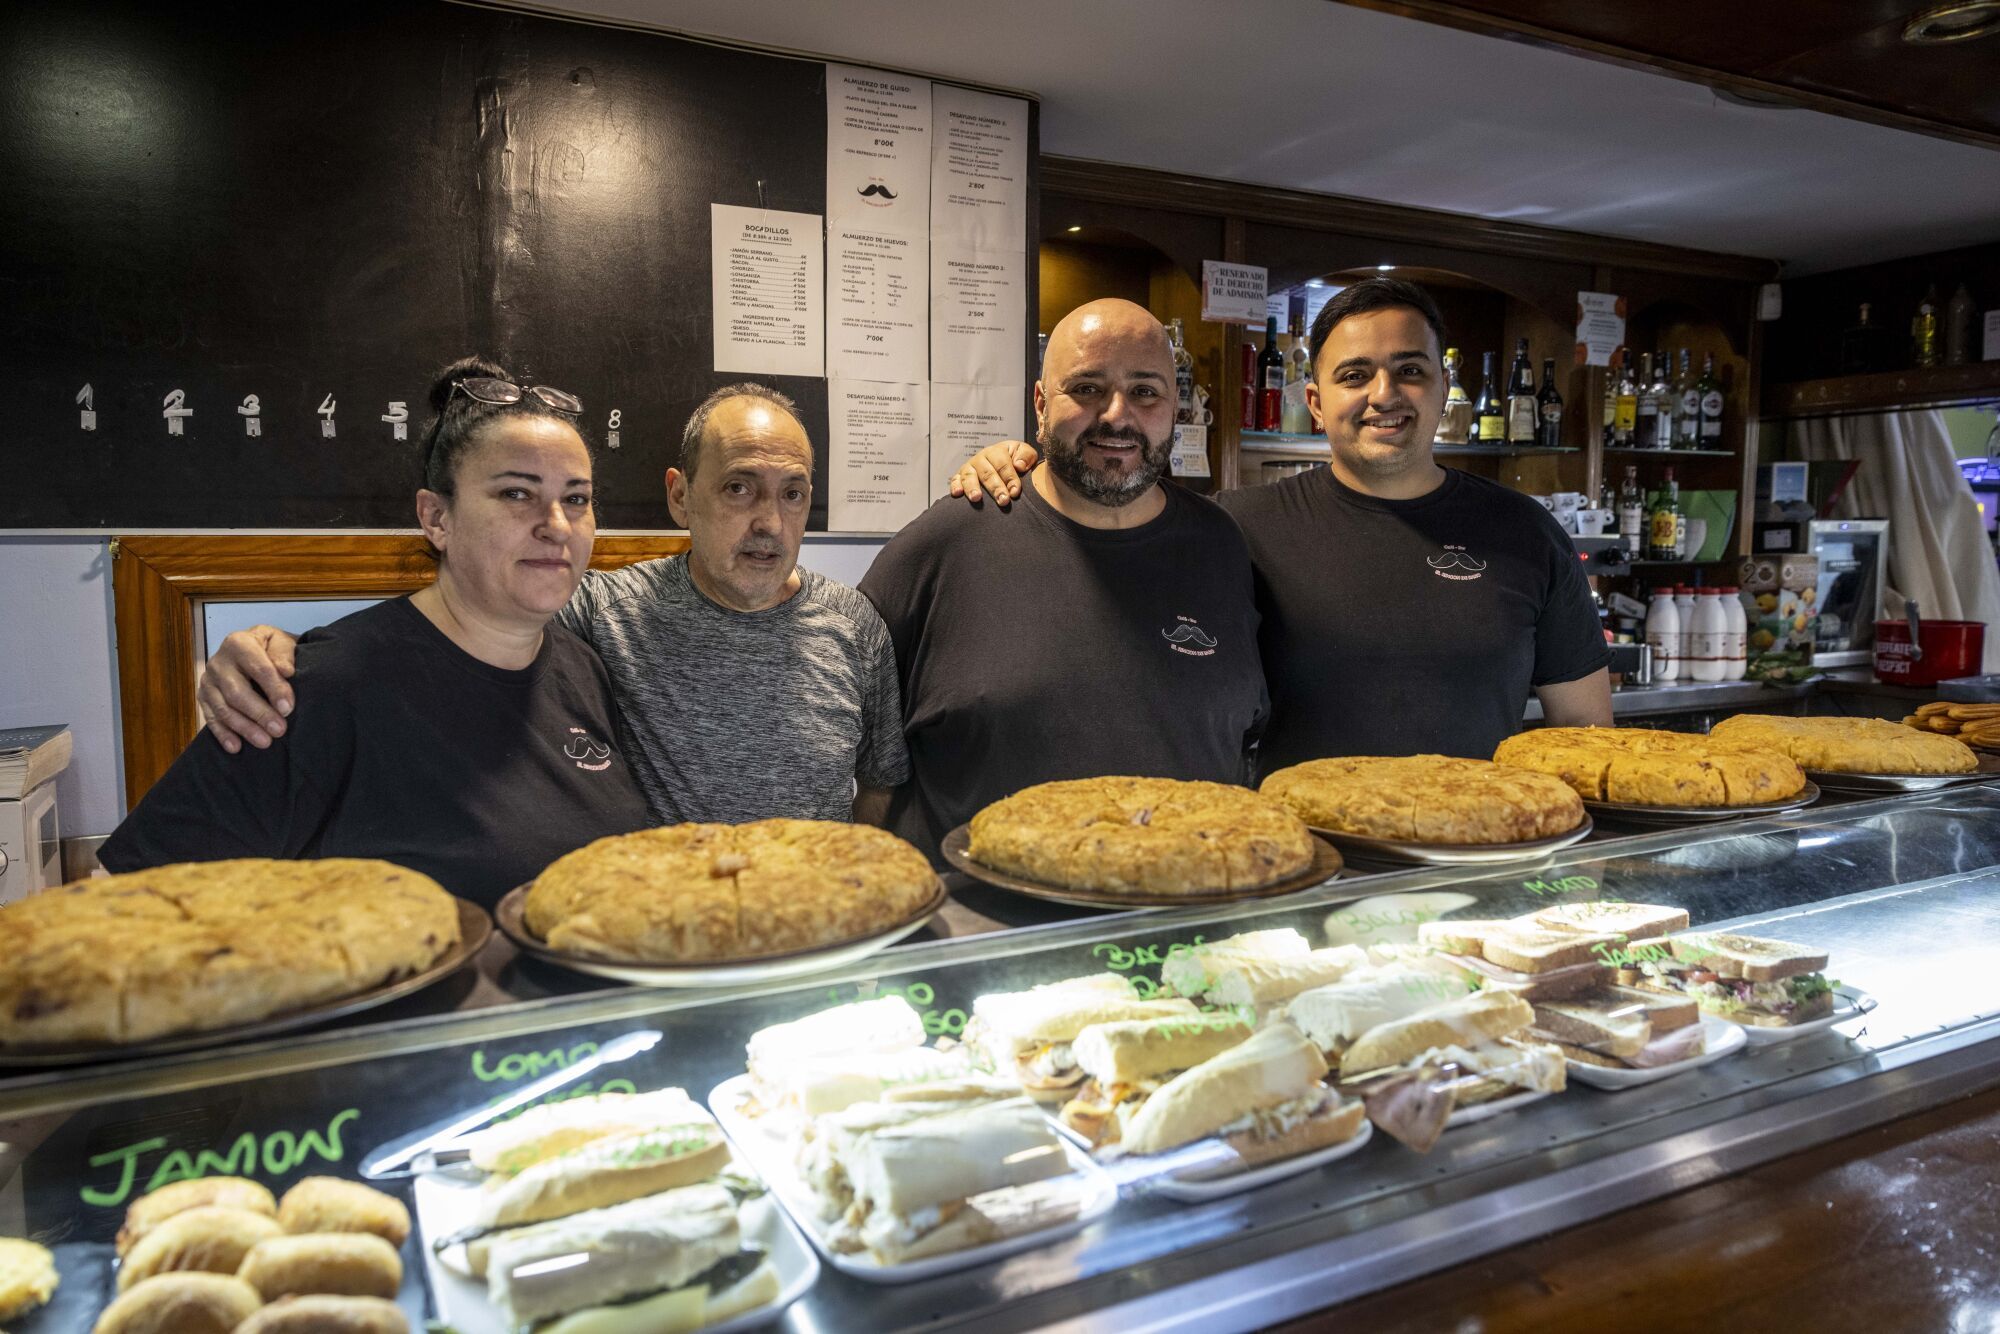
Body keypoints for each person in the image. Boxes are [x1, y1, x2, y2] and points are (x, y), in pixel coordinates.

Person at [953, 277, 1612, 767]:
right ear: (1318, 403)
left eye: (1409, 371)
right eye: (1356, 374)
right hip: (1293, 880)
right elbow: (1103, 531)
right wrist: (1018, 465)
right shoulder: (1235, 529)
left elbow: (1583, 730)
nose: (1384, 394)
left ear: (1443, 389)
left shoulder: (1526, 533)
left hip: (1474, 864)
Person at [196, 383, 910, 828]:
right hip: (659, 950)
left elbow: (878, 789)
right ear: (679, 495)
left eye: (793, 494)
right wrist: (279, 648)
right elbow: (464, 618)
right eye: (738, 488)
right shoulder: (604, 611)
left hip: (820, 939)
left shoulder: (854, 625)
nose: (770, 523)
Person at [100, 359, 654, 909]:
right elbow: (127, 903)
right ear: (437, 518)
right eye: (516, 493)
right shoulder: (318, 686)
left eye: (576, 499)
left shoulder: (583, 668)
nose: (556, 524)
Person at [859, 298, 1269, 859]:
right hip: (987, 928)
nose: (1117, 415)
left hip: (1184, 920)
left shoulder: (1223, 543)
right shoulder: (947, 542)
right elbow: (845, 739)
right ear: (1039, 403)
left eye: (1145, 391)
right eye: (1087, 388)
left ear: (1176, 406)